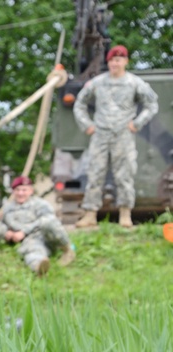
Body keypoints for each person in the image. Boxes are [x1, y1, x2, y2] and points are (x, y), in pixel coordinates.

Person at [73, 44, 159, 229]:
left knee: (125, 175)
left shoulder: (135, 83)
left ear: (125, 61)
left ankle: (125, 214)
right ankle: (90, 215)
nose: (115, 63)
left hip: (123, 134)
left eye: (118, 60)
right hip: (100, 134)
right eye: (112, 60)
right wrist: (87, 125)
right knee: (94, 173)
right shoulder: (98, 82)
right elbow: (79, 103)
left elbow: (152, 104)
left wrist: (136, 123)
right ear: (108, 62)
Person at [1, 175, 75, 276]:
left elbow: (48, 219)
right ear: (13, 191)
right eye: (17, 190)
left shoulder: (40, 204)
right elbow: (1, 224)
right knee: (32, 252)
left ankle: (67, 250)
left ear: (31, 191)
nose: (20, 193)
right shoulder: (7, 208)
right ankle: (39, 268)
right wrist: (8, 233)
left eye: (24, 190)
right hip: (30, 240)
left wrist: (24, 231)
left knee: (48, 223)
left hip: (46, 235)